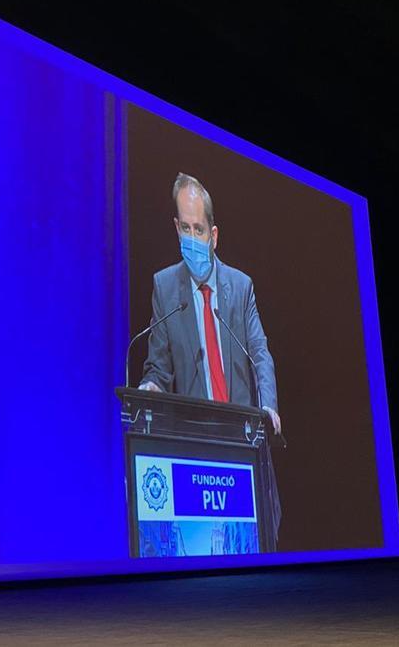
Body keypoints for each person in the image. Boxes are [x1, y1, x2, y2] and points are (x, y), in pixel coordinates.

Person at [138, 173, 282, 547]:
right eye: (183, 228)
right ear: (175, 227)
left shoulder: (240, 287)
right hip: (194, 448)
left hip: (242, 442)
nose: (191, 238)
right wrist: (149, 387)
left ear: (213, 235)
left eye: (197, 229)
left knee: (255, 547)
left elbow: (260, 353)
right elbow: (157, 367)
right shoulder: (165, 288)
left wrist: (268, 406)